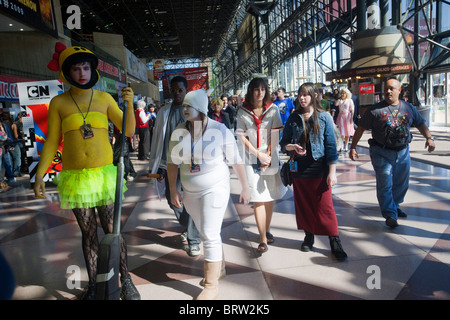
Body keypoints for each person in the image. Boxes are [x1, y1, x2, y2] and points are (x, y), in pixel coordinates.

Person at [34, 43, 140, 300]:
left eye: (85, 67)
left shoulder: (104, 98)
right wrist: (39, 174)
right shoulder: (58, 102)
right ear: (66, 72)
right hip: (75, 178)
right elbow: (51, 141)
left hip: (103, 175)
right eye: (75, 68)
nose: (81, 72)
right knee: (89, 233)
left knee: (113, 230)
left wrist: (129, 105)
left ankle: (125, 280)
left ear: (92, 70)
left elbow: (128, 131)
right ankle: (94, 284)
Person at [168, 89, 251, 300]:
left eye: (190, 106)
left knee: (208, 232)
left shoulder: (219, 130)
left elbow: (235, 160)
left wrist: (245, 186)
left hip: (215, 187)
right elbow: (172, 163)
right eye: (184, 106)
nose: (185, 109)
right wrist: (172, 189)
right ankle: (219, 267)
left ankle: (211, 286)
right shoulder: (179, 131)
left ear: (201, 109)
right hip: (190, 192)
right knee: (207, 232)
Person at [349, 78, 436, 228]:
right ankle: (390, 214)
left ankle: (394, 205)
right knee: (385, 183)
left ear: (399, 90)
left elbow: (420, 122)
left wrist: (429, 138)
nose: (388, 92)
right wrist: (353, 147)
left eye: (391, 89)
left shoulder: (408, 108)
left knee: (402, 183)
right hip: (381, 152)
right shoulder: (375, 110)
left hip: (402, 151)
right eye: (386, 89)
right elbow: (361, 128)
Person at [280, 83, 347, 261]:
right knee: (304, 205)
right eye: (300, 95)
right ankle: (309, 236)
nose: (302, 98)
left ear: (314, 96)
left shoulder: (324, 117)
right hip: (299, 170)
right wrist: (291, 146)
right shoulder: (293, 118)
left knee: (325, 206)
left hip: (320, 168)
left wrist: (332, 172)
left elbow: (331, 146)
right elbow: (283, 143)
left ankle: (334, 240)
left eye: (306, 95)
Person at [148, 76, 201, 256]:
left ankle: (194, 240)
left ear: (186, 91)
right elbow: (158, 140)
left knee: (192, 199)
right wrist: (157, 165)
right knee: (173, 199)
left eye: (180, 90)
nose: (177, 93)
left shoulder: (194, 111)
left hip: (191, 163)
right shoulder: (164, 111)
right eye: (174, 90)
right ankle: (190, 225)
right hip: (170, 163)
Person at [236, 77, 287, 253]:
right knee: (258, 197)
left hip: (270, 156)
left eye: (263, 89)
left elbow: (276, 134)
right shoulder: (242, 111)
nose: (260, 93)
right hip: (251, 158)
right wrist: (257, 154)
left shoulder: (273, 110)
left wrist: (267, 156)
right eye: (256, 89)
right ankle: (263, 239)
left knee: (269, 196)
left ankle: (266, 229)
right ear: (250, 91)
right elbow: (241, 136)